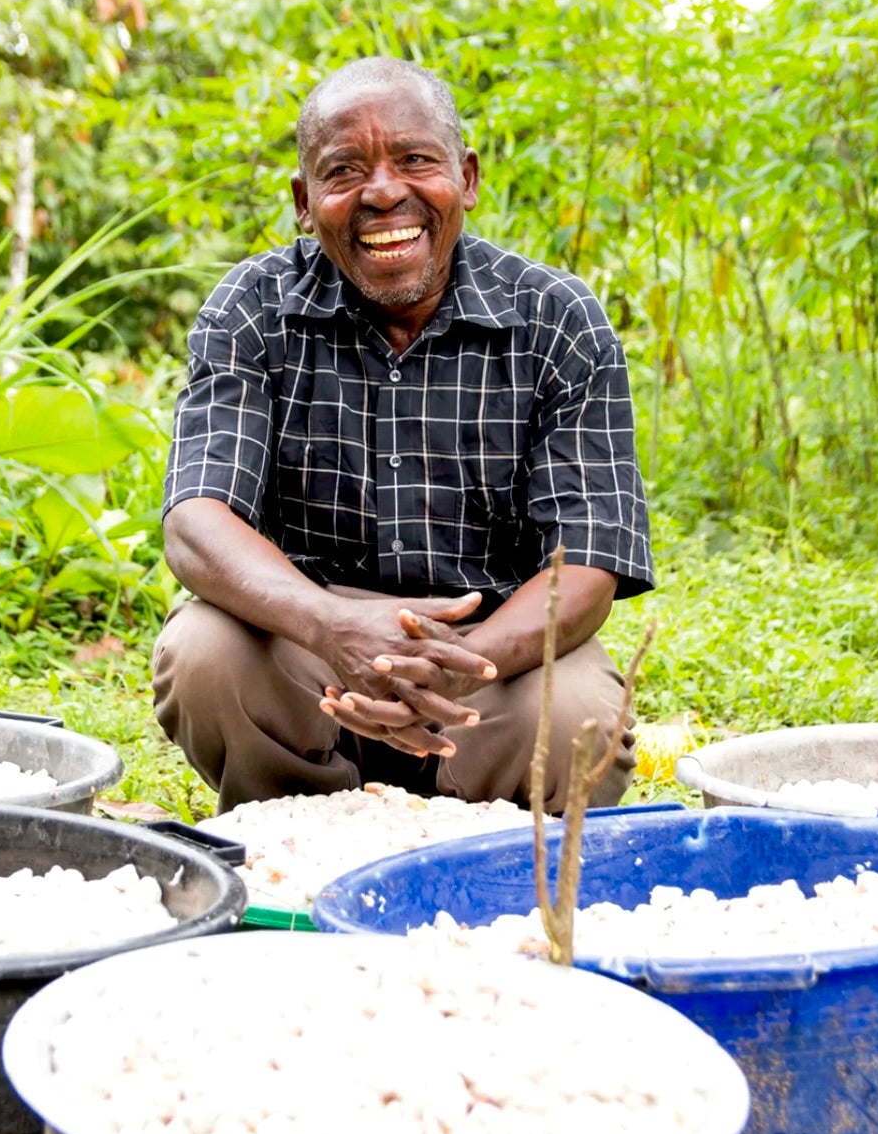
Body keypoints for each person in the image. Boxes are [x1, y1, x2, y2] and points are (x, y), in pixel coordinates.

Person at [152, 57, 653, 814]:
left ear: (468, 178)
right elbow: (196, 522)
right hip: (306, 659)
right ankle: (298, 845)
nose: (384, 193)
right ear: (303, 202)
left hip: (490, 669)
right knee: (203, 654)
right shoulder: (251, 308)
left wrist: (456, 664)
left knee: (580, 714)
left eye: (416, 160)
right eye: (345, 170)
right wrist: (333, 627)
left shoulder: (556, 318)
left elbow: (586, 565)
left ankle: (494, 871)